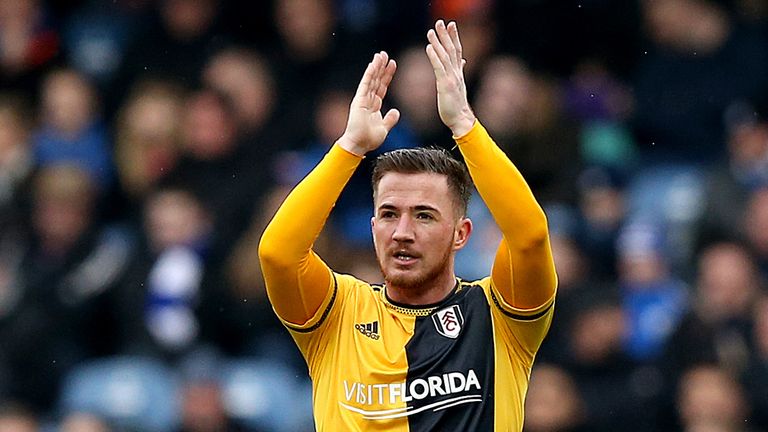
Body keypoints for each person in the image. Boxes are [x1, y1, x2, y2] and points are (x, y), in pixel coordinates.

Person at [259, 20, 557, 431]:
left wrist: (465, 127)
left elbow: (529, 236)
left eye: (424, 215)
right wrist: (349, 148)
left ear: (461, 234)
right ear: (373, 225)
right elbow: (277, 255)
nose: (402, 231)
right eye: (389, 214)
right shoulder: (339, 314)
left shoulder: (498, 315)